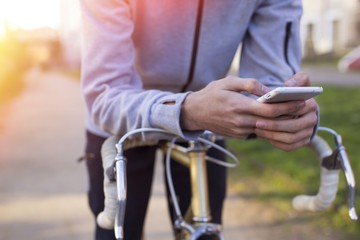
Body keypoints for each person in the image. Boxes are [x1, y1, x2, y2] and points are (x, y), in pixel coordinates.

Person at [79, 0, 318, 239]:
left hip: (210, 117)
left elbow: (269, 84)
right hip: (124, 116)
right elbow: (104, 94)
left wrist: (291, 112)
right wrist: (187, 110)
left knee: (205, 231)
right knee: (118, 231)